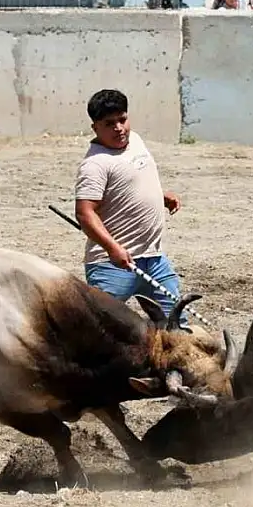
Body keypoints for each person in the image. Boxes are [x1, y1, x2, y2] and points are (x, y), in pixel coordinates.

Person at [73, 89, 189, 330]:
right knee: (101, 333)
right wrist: (112, 248)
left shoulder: (135, 140)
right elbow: (85, 213)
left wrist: (160, 196)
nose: (119, 128)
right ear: (95, 128)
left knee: (178, 325)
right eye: (109, 123)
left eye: (122, 119)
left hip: (154, 259)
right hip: (112, 266)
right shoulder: (95, 164)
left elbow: (134, 179)